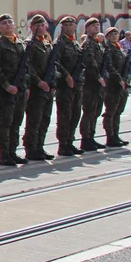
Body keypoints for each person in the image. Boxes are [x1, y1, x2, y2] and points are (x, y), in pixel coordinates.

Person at [0, 13, 29, 166]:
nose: (7, 25)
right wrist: (6, 85)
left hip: (19, 89)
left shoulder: (20, 43)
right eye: (4, 23)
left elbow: (25, 67)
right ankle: (4, 154)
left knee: (16, 122)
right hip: (5, 90)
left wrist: (26, 87)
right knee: (5, 123)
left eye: (10, 22)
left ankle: (13, 151)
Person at [23, 14, 55, 161]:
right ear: (31, 28)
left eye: (42, 25)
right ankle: (31, 148)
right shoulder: (29, 44)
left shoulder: (47, 43)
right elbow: (28, 66)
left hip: (47, 88)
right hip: (36, 88)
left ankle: (39, 147)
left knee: (45, 119)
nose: (40, 28)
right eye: (36, 26)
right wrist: (38, 81)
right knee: (34, 119)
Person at [53, 16, 84, 157]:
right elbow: (56, 62)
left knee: (75, 113)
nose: (69, 27)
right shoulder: (59, 43)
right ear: (62, 27)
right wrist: (66, 75)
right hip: (64, 85)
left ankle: (70, 141)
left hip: (77, 84)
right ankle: (63, 144)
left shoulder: (75, 43)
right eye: (66, 25)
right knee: (65, 115)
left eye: (72, 24)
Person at [78, 18, 108, 151]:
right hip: (90, 83)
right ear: (87, 28)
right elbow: (90, 63)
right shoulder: (88, 44)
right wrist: (98, 77)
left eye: (98, 25)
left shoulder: (97, 43)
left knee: (96, 111)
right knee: (89, 111)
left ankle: (91, 137)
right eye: (93, 25)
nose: (96, 27)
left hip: (97, 83)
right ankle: (85, 139)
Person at [101, 27, 129, 148]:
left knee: (118, 111)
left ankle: (116, 135)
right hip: (112, 84)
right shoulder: (108, 49)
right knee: (111, 111)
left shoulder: (119, 48)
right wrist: (118, 79)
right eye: (111, 34)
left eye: (116, 34)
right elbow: (109, 66)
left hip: (121, 83)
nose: (114, 36)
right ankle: (110, 137)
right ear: (107, 36)